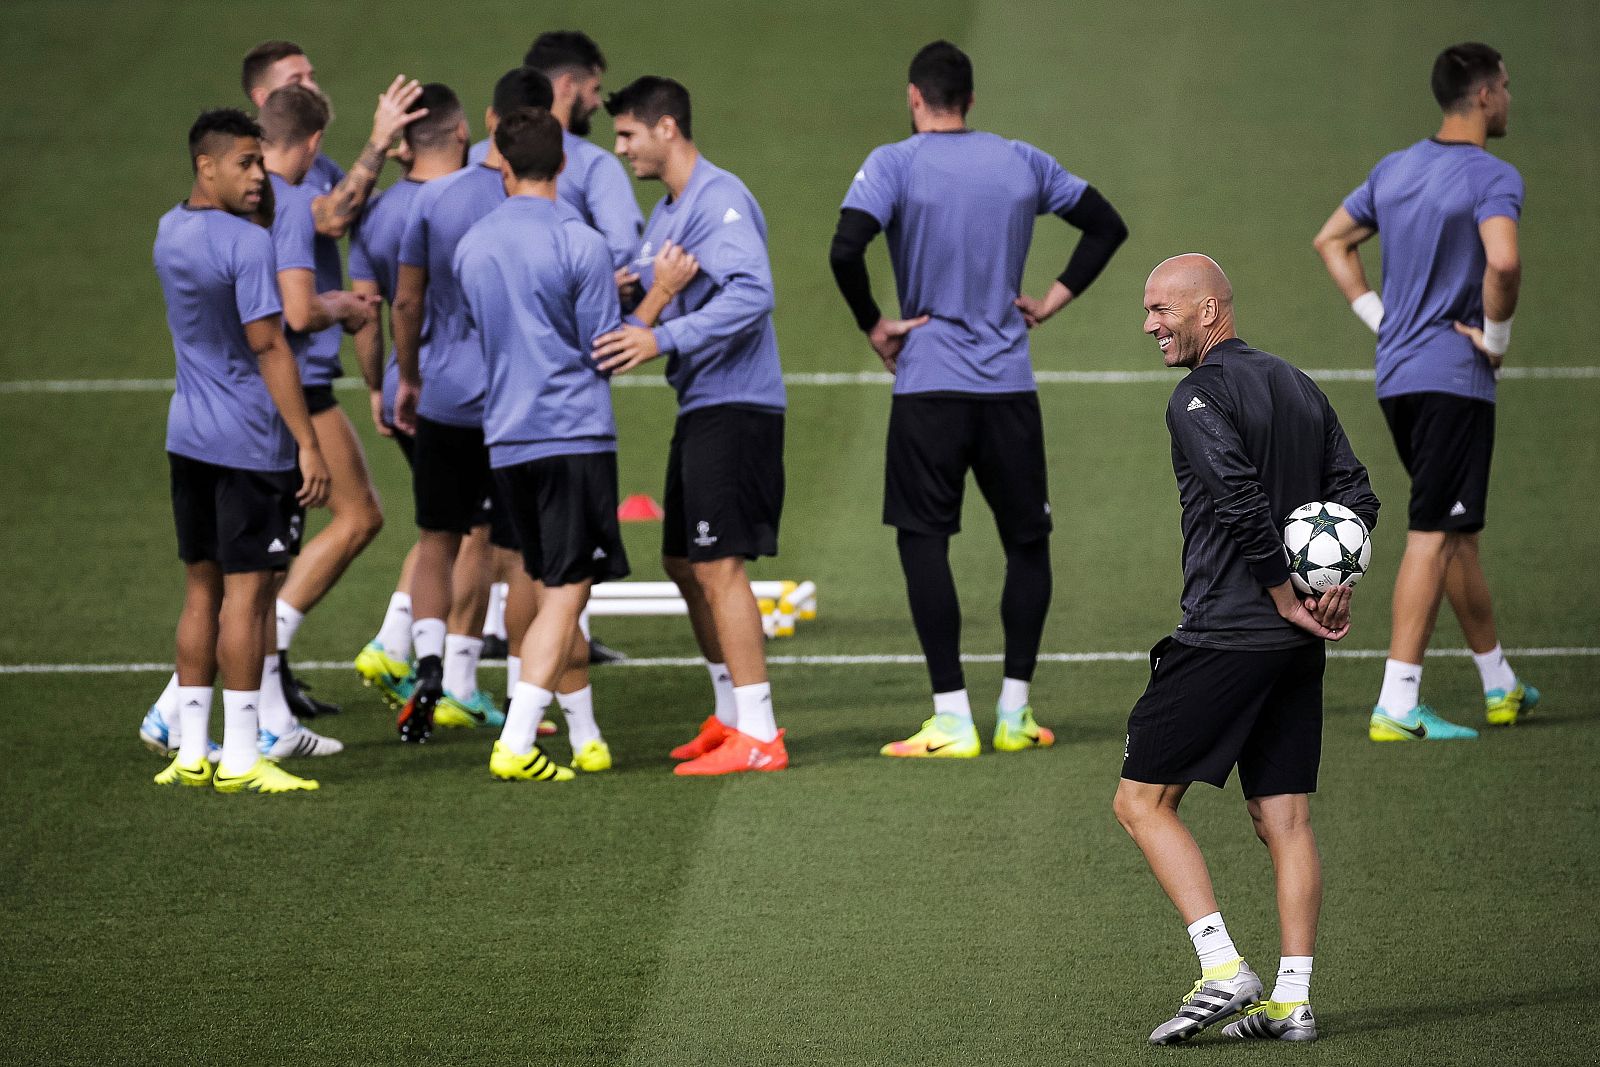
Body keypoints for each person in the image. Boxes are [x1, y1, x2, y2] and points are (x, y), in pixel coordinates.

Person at [827, 41, 1128, 758]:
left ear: (914, 97)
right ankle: (1015, 712)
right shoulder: (1021, 160)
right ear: (969, 99)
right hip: (1008, 389)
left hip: (929, 386)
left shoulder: (894, 163)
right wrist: (1051, 300)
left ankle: (953, 717)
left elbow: (845, 249)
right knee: (1027, 542)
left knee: (924, 540)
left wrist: (875, 324)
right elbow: (1106, 225)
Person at [1115, 254, 1380, 1045]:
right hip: (1295, 646)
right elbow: (1357, 494)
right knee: (1282, 816)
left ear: (1208, 309)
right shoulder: (1298, 384)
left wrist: (1280, 591)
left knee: (1141, 801)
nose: (1150, 324)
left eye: (1162, 309)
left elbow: (1235, 497)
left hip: (1226, 634)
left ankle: (1223, 967)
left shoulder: (1196, 396)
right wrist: (1333, 582)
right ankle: (1293, 1000)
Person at [1313, 42, 1536, 741]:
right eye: (1504, 86)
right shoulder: (1492, 175)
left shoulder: (1395, 169)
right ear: (1483, 96)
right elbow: (1504, 261)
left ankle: (1499, 682)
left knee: (1456, 532)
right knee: (1434, 531)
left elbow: (1331, 241)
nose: (1509, 97)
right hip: (1454, 379)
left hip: (1399, 378)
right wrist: (1495, 340)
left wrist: (1381, 319)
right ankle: (1398, 701)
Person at [595, 75, 789, 775]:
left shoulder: (719, 199)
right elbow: (650, 294)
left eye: (627, 135)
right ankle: (730, 714)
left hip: (737, 404)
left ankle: (760, 733)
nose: (621, 149)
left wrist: (663, 336)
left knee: (716, 563)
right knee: (682, 561)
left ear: (666, 127)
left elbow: (754, 292)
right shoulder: (667, 215)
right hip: (702, 403)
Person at [152, 108, 330, 794]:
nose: (260, 176)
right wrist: (308, 444)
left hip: (188, 437)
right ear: (207, 166)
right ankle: (244, 755)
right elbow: (269, 344)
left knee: (201, 590)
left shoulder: (169, 230)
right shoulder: (248, 244)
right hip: (251, 443)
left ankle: (193, 751)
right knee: (248, 599)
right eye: (246, 163)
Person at [456, 106, 631, 780]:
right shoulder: (580, 242)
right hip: (573, 436)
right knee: (567, 591)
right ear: (563, 163)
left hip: (506, 441)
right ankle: (518, 739)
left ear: (500, 162)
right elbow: (603, 349)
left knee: (550, 581)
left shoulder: (472, 246)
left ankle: (586, 735)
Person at [391, 67, 554, 742]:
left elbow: (406, 301)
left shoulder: (435, 199)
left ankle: (430, 665)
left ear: (486, 122)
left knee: (438, 538)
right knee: (518, 555)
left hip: (446, 397)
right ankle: (521, 695)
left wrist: (408, 378)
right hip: (515, 403)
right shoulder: (538, 203)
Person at [348, 83, 499, 720]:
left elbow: (370, 311)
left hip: (411, 387)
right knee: (480, 533)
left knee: (439, 526)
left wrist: (379, 386)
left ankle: (406, 644)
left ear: (404, 143)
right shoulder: (483, 198)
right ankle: (450, 675)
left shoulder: (377, 212)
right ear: (463, 132)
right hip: (472, 391)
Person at [240, 39, 423, 232]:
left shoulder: (317, 162)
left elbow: (369, 208)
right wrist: (379, 142)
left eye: (311, 78)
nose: (312, 87)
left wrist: (411, 174)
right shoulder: (253, 170)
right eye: (296, 81)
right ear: (263, 98)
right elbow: (332, 219)